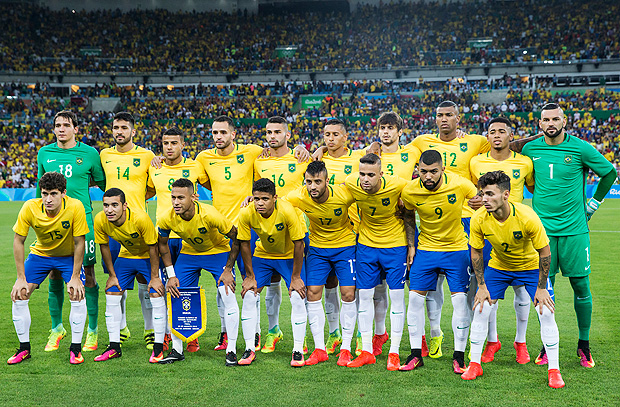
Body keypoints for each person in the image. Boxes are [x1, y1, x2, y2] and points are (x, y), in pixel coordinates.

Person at [195, 115, 308, 352]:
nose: (218, 137)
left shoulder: (258, 153)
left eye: (223, 132)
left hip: (270, 228)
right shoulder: (208, 158)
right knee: (227, 284)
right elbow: (205, 181)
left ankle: (270, 333)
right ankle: (232, 333)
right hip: (226, 230)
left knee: (266, 283)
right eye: (214, 133)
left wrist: (304, 147)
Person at [522, 102, 617, 368]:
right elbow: (504, 147)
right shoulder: (530, 149)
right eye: (545, 120)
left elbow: (609, 173)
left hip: (575, 231)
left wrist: (593, 204)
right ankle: (546, 343)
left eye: (555, 119)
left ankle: (583, 345)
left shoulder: (580, 148)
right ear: (539, 124)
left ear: (564, 121)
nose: (550, 123)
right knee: (544, 290)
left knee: (581, 288)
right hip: (542, 234)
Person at [463, 170, 564, 389]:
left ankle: (554, 370)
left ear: (506, 195)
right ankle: (474, 363)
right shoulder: (478, 218)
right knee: (481, 308)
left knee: (546, 310)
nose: (484, 199)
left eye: (490, 194)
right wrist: (481, 286)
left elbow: (545, 252)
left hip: (529, 268)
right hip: (498, 267)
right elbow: (477, 253)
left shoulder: (527, 217)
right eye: (482, 194)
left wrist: (541, 287)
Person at [410, 101, 490, 358]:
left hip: (467, 220)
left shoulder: (476, 141)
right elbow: (396, 152)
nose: (444, 119)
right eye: (440, 115)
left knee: (468, 286)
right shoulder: (422, 142)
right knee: (432, 286)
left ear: (458, 118)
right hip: (433, 220)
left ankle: (470, 336)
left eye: (449, 115)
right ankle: (436, 334)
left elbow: (506, 146)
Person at [400, 150, 477, 373]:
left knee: (460, 302)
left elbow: (479, 204)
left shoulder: (460, 184)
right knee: (414, 301)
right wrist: (411, 245)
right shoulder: (411, 190)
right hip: (426, 250)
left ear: (443, 169)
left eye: (434, 171)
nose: (428, 176)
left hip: (456, 250)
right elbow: (407, 214)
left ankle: (459, 356)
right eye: (423, 171)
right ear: (418, 170)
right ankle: (416, 355)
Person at [37, 110, 105, 353]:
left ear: (77, 129)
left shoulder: (89, 154)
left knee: (88, 273)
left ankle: (93, 330)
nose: (61, 129)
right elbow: (39, 191)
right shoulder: (44, 153)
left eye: (66, 125)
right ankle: (57, 328)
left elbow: (102, 184)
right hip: (53, 224)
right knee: (54, 273)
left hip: (82, 223)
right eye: (57, 125)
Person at [469, 117, 535, 364]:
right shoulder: (476, 161)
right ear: (487, 136)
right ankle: (492, 340)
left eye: (501, 131)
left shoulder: (525, 163)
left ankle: (521, 342)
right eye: (492, 131)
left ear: (510, 135)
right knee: (488, 289)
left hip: (519, 231)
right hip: (488, 231)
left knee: (521, 292)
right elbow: (473, 190)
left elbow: (533, 188)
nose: (496, 135)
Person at [156, 178, 239, 365]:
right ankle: (177, 350)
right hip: (190, 253)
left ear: (193, 197)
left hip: (217, 251)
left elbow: (236, 237)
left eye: (181, 198)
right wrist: (171, 275)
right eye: (173, 197)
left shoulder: (209, 214)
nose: (176, 202)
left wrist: (228, 269)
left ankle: (231, 350)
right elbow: (162, 245)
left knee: (227, 293)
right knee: (176, 294)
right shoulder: (167, 217)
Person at [9, 171, 88, 365]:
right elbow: (18, 241)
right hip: (40, 255)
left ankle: (75, 350)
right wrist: (21, 277)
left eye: (53, 193)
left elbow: (80, 243)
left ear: (63, 193)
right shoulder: (30, 207)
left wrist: (76, 276)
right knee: (20, 293)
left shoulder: (75, 207)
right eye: (45, 194)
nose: (48, 199)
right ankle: (24, 349)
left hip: (68, 257)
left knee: (76, 293)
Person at [285, 161, 357, 366]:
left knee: (348, 294)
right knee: (313, 293)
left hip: (345, 247)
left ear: (327, 180)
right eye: (309, 182)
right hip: (317, 249)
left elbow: (366, 196)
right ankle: (319, 349)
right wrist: (250, 200)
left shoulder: (343, 194)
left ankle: (346, 349)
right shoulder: (299, 195)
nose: (313, 186)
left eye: (317, 182)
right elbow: (278, 203)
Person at [344, 153, 409, 370]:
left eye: (371, 175)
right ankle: (367, 353)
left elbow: (416, 201)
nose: (365, 179)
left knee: (397, 297)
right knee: (364, 297)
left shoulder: (397, 184)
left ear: (381, 174)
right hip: (366, 246)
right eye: (362, 174)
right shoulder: (352, 183)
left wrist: (411, 244)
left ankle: (395, 352)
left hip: (395, 246)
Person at [147, 127, 208, 352]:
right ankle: (164, 334)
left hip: (188, 236)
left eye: (174, 143)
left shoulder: (195, 166)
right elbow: (145, 191)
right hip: (163, 235)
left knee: (186, 286)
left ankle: (190, 333)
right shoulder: (154, 167)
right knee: (163, 286)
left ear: (183, 144)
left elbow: (212, 185)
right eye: (165, 143)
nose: (169, 147)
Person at [253, 116, 310, 354]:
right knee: (265, 286)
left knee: (299, 288)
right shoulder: (258, 161)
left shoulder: (301, 159)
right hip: (265, 232)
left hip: (295, 232)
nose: (272, 136)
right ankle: (272, 331)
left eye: (277, 131)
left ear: (288, 134)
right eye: (269, 132)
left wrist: (311, 148)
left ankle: (301, 339)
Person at [100, 112, 156, 350]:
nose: (119, 131)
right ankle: (121, 327)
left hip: (137, 227)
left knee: (146, 283)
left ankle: (150, 330)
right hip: (113, 228)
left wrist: (133, 206)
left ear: (134, 131)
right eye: (115, 127)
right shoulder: (104, 155)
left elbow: (153, 188)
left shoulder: (147, 155)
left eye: (124, 127)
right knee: (116, 282)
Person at [237, 178, 307, 367]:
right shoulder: (246, 213)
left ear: (274, 198)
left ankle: (298, 350)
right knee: (249, 295)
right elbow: (244, 243)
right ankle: (250, 348)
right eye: (257, 198)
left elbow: (299, 243)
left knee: (297, 296)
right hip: (263, 255)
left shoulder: (286, 211)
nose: (260, 203)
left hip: (288, 255)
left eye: (265, 199)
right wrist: (250, 276)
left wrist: (296, 277)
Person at [93, 188, 166, 363]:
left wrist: (155, 277)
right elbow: (103, 246)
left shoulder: (140, 218)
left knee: (156, 293)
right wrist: (112, 275)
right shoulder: (100, 220)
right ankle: (114, 347)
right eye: (106, 205)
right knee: (112, 291)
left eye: (114, 205)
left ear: (124, 205)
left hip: (148, 256)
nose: (109, 210)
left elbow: (153, 247)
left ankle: (158, 347)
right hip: (126, 256)